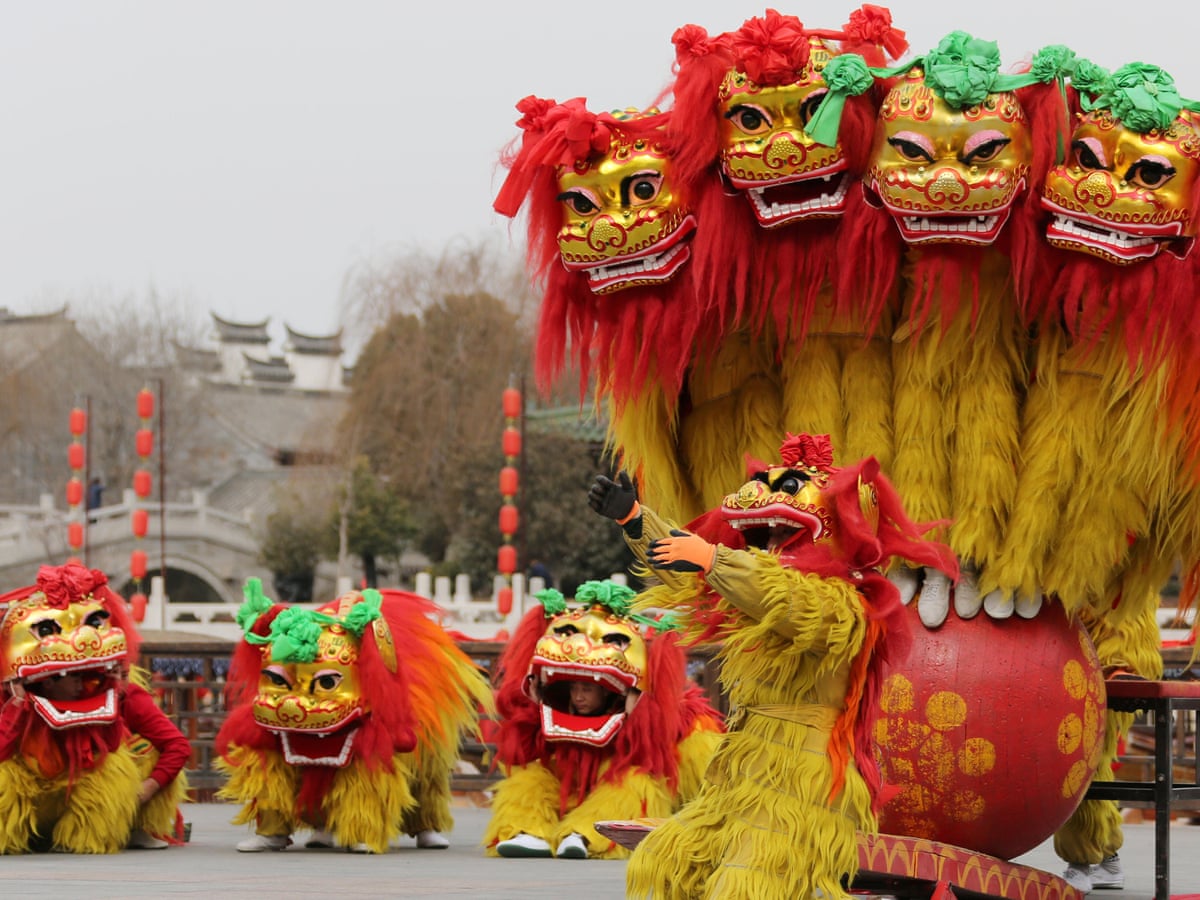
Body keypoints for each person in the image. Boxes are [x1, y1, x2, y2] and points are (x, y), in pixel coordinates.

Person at [590, 434, 956, 899]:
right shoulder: (741, 584)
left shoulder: (845, 605)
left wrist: (713, 558)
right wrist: (635, 519)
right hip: (738, 771)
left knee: (743, 888)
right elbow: (694, 572)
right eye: (763, 536)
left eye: (786, 535)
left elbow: (785, 601)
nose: (770, 546)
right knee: (666, 866)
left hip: (801, 785)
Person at [0, 562, 191, 853]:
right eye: (70, 676)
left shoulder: (122, 692)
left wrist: (142, 793)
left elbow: (176, 745)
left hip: (84, 799)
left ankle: (133, 825)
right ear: (46, 681)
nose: (82, 684)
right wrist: (17, 706)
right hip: (34, 799)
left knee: (127, 757)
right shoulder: (13, 695)